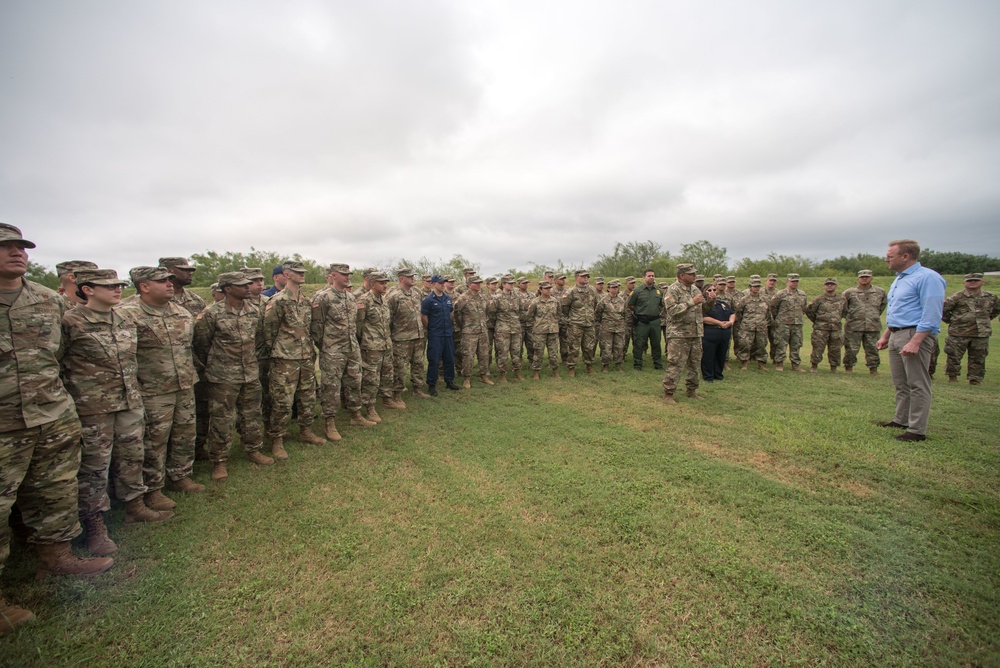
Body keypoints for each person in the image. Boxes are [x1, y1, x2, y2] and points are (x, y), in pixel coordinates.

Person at [1, 225, 113, 634]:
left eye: (21, 247)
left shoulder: (48, 302)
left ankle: (56, 558)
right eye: (5, 247)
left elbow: (60, 359)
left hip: (51, 416)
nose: (17, 253)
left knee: (56, 490)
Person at [62, 268, 174, 547]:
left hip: (129, 400)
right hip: (93, 406)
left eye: (119, 285)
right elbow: (56, 361)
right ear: (87, 289)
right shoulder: (70, 321)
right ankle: (94, 525)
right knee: (94, 467)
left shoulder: (125, 318)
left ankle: (135, 507)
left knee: (133, 455)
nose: (117, 289)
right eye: (109, 286)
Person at [119, 266, 204, 515]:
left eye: (170, 280)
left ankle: (180, 476)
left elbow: (192, 346)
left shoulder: (181, 312)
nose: (169, 284)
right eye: (162, 281)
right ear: (144, 286)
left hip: (184, 383)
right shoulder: (127, 314)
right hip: (152, 389)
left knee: (184, 433)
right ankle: (153, 490)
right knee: (154, 441)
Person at [193, 271, 275, 481]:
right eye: (242, 285)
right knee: (221, 418)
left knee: (251, 413)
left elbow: (257, 337)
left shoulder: (254, 310)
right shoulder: (212, 313)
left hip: (249, 371)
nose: (248, 288)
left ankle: (253, 449)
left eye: (249, 284)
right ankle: (219, 460)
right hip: (223, 375)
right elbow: (202, 344)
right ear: (228, 289)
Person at [876, 239, 947, 442]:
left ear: (905, 256)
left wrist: (916, 341)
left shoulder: (928, 278)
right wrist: (886, 335)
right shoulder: (900, 279)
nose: (886, 259)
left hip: (915, 335)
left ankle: (916, 430)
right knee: (901, 382)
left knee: (917, 383)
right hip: (897, 334)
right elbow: (900, 311)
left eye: (890, 256)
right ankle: (901, 419)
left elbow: (932, 313)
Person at [262, 260, 327, 459]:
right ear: (287, 274)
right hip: (285, 359)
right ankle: (277, 439)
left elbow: (310, 328)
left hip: (306, 356)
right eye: (298, 272)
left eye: (303, 271)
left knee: (307, 397)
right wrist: (281, 350)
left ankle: (306, 431)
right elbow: (269, 331)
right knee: (282, 400)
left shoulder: (306, 301)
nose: (302, 274)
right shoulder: (278, 300)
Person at [311, 264, 376, 440]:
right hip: (333, 350)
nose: (347, 277)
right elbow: (316, 327)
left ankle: (356, 415)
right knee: (331, 386)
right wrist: (326, 346)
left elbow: (356, 324)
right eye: (343, 274)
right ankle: (330, 422)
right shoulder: (323, 298)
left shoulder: (350, 297)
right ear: (333, 275)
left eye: (348, 274)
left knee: (355, 380)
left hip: (351, 347)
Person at [942, 273, 999, 385]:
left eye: (976, 280)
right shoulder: (956, 297)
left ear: (982, 282)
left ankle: (975, 379)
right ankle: (952, 377)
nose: (972, 282)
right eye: (969, 281)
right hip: (958, 333)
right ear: (964, 283)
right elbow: (943, 311)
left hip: (981, 333)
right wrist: (953, 321)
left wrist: (985, 320)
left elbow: (996, 310)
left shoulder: (991, 297)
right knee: (953, 356)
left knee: (978, 358)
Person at [357, 272, 398, 423]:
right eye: (381, 283)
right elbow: (358, 325)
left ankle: (387, 399)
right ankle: (369, 407)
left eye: (386, 282)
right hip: (371, 346)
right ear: (373, 284)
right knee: (371, 378)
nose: (385, 285)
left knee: (387, 373)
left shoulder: (384, 300)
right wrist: (366, 341)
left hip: (385, 344)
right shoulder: (364, 300)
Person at [662, 264, 705, 404]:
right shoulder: (672, 290)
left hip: (695, 333)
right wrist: (691, 302)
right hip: (679, 334)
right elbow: (673, 311)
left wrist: (711, 300)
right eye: (691, 274)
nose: (694, 276)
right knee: (675, 363)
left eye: (694, 274)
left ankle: (691, 390)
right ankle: (668, 393)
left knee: (695, 364)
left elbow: (702, 309)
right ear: (682, 275)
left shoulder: (695, 289)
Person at [387, 267, 429, 401]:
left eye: (413, 276)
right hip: (401, 338)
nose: (413, 278)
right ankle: (397, 394)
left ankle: (417, 389)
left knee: (418, 363)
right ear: (401, 279)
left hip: (418, 336)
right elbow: (388, 318)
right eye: (409, 276)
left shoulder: (417, 293)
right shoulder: (393, 295)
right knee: (400, 368)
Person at [841, 269, 887, 374]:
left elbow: (882, 306)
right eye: (862, 277)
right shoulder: (849, 292)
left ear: (871, 278)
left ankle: (873, 369)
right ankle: (848, 368)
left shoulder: (880, 292)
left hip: (872, 325)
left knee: (873, 349)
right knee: (851, 349)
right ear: (858, 279)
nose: (864, 278)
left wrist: (872, 316)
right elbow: (843, 308)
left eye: (867, 277)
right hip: (853, 326)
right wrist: (853, 317)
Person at [421, 275, 461, 395]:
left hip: (447, 333)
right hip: (435, 334)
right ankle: (432, 384)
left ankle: (449, 381)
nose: (443, 284)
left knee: (449, 358)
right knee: (434, 359)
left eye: (444, 282)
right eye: (440, 283)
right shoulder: (429, 300)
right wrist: (432, 329)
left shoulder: (447, 298)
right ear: (434, 284)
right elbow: (424, 317)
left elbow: (449, 314)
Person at [453, 276, 493, 387]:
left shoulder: (483, 297)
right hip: (469, 332)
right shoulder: (462, 298)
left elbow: (487, 312)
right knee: (468, 355)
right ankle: (467, 378)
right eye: (476, 283)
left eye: (480, 283)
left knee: (484, 354)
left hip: (482, 330)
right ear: (470, 284)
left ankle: (483, 375)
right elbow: (457, 315)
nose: (479, 285)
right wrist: (464, 327)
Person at [561, 269, 599, 375]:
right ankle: (571, 368)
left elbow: (596, 305)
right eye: (583, 276)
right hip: (575, 324)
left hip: (589, 323)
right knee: (573, 347)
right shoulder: (570, 292)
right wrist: (571, 320)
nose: (586, 278)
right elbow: (565, 308)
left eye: (587, 276)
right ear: (576, 277)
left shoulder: (592, 290)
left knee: (589, 347)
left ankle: (589, 366)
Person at [805, 278, 846, 373]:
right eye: (827, 284)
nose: (829, 286)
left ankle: (834, 367)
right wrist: (818, 321)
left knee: (835, 349)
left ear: (836, 286)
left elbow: (844, 311)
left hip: (836, 328)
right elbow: (810, 312)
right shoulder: (818, 299)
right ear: (824, 286)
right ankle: (814, 366)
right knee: (818, 347)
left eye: (832, 284)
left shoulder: (842, 299)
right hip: (821, 328)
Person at [770, 273, 808, 372]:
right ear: (787, 282)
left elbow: (804, 308)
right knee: (781, 344)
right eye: (792, 281)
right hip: (783, 323)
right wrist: (779, 319)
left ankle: (795, 365)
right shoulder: (780, 294)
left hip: (797, 324)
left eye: (796, 281)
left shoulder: (802, 294)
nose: (795, 283)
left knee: (796, 344)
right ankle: (779, 363)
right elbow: (773, 308)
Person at [490, 275, 524, 382]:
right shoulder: (497, 298)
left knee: (516, 352)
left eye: (513, 283)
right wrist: (499, 325)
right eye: (509, 283)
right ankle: (502, 374)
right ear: (503, 284)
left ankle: (517, 372)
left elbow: (520, 311)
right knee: (502, 353)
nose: (512, 285)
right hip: (502, 329)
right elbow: (492, 313)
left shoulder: (517, 297)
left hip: (515, 328)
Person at [627, 270, 663, 371]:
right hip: (642, 322)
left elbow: (662, 305)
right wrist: (639, 312)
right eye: (649, 276)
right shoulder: (637, 291)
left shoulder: (659, 291)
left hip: (655, 321)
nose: (651, 277)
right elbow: (630, 304)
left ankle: (658, 364)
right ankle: (638, 364)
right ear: (644, 277)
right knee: (639, 344)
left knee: (656, 343)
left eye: (653, 276)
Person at [734, 278, 771, 370]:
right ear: (750, 287)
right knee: (745, 345)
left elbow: (768, 313)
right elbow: (738, 312)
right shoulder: (744, 299)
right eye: (754, 286)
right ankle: (744, 363)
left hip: (761, 327)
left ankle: (761, 363)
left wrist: (765, 322)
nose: (756, 288)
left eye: (758, 286)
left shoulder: (765, 299)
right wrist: (745, 322)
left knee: (761, 345)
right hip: (747, 327)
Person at [700, 283, 734, 382]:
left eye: (714, 290)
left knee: (721, 354)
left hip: (724, 331)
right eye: (709, 290)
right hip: (710, 331)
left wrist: (730, 322)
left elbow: (732, 313)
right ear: (704, 292)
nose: (712, 292)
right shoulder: (702, 304)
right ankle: (708, 376)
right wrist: (719, 323)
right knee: (709, 356)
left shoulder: (722, 303)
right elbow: (703, 318)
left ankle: (718, 374)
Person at [527, 280, 561, 378]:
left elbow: (559, 314)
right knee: (538, 352)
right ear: (541, 290)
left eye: (549, 288)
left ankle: (555, 371)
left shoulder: (555, 301)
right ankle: (536, 372)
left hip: (553, 330)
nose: (548, 290)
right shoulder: (535, 302)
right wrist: (537, 325)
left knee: (554, 352)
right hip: (539, 331)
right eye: (546, 288)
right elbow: (529, 315)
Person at [595, 280, 627, 371]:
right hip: (607, 328)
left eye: (616, 287)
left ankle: (618, 364)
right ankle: (605, 365)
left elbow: (625, 313)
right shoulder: (603, 300)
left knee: (619, 347)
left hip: (619, 327)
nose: (615, 289)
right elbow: (598, 313)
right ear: (608, 289)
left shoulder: (621, 300)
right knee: (606, 347)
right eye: (613, 288)